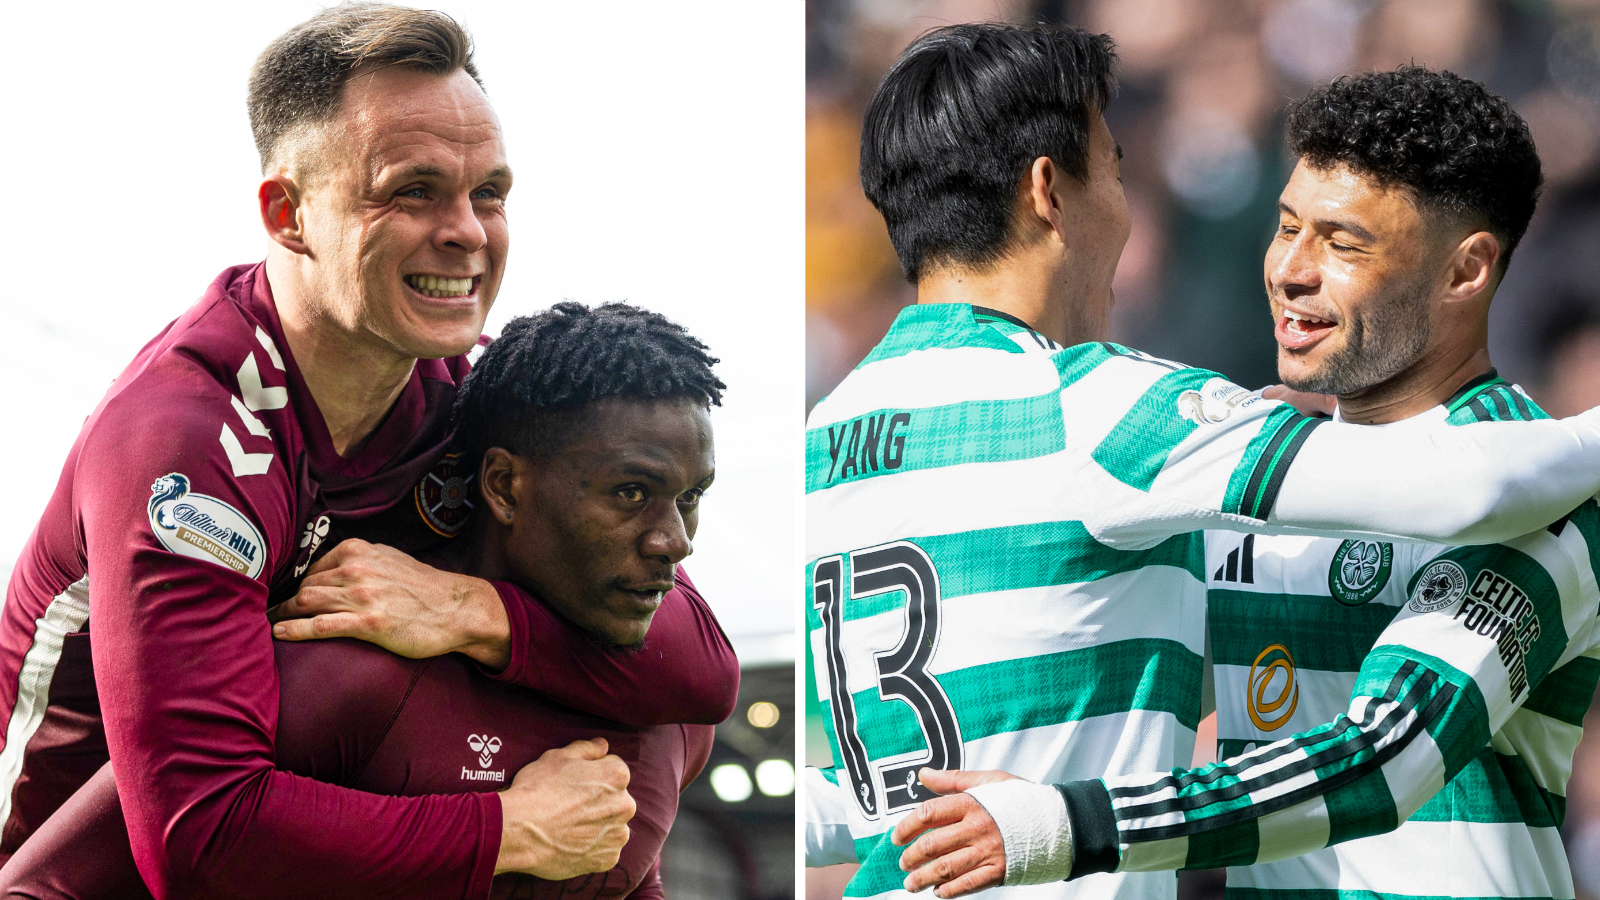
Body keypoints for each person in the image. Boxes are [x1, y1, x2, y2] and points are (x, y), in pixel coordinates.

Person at [801, 22, 1600, 900]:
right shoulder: (1178, 451)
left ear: (1464, 271)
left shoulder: (1546, 495)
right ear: (1049, 193)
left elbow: (1383, 758)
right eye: (1285, 227)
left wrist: (1071, 823)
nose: (1289, 269)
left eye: (1341, 242)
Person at [0, 6, 735, 898]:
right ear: (288, 215)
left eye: (489, 193)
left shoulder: (472, 397)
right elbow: (200, 836)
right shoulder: (189, 442)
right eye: (414, 191)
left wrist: (471, 611)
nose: (468, 232)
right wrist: (509, 829)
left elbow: (701, 669)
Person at [0, 302, 730, 900]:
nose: (675, 541)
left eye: (692, 498)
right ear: (503, 487)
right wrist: (505, 831)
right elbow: (132, 854)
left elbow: (632, 862)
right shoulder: (345, 676)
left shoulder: (667, 721)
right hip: (40, 792)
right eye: (630, 494)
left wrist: (474, 611)